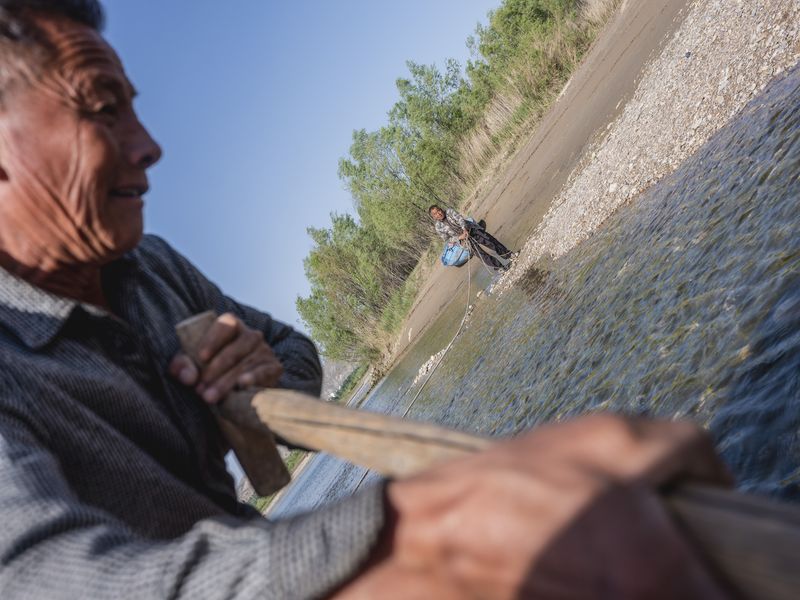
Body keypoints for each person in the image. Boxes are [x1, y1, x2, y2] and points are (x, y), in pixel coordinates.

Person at [0, 2, 732, 598]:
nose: (148, 144)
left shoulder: (150, 267)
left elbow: (292, 351)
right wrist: (428, 524)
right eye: (102, 109)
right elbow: (49, 579)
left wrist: (266, 378)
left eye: (132, 107)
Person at [430, 204, 517, 271]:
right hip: (464, 241)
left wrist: (464, 229)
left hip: (472, 230)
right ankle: (500, 267)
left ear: (441, 209)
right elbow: (447, 239)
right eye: (435, 214)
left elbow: (460, 219)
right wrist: (460, 237)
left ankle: (509, 255)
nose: (439, 214)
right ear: (434, 217)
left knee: (491, 242)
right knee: (482, 255)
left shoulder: (449, 211)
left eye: (439, 210)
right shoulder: (438, 227)